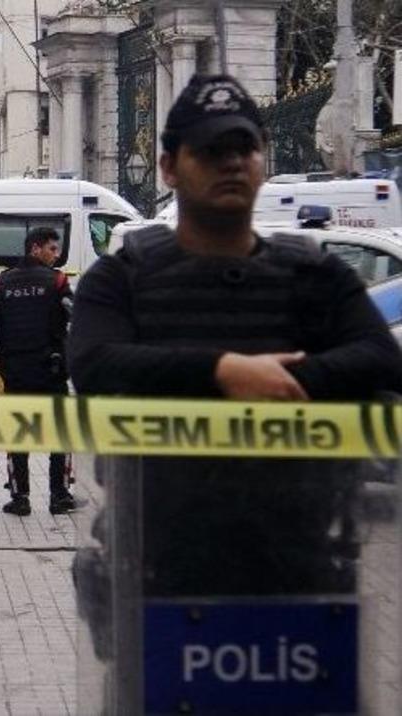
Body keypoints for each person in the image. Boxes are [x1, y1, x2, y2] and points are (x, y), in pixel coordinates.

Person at [68, 73, 402, 603]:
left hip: (296, 565)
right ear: (169, 167)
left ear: (263, 160)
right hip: (160, 569)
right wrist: (224, 372)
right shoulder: (123, 278)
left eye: (244, 146)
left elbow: (382, 362)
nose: (231, 161)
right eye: (210, 149)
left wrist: (282, 381)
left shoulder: (315, 275)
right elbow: (94, 364)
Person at [0, 227, 75, 516]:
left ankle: (20, 498)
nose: (56, 255)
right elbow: (76, 314)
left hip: (14, 372)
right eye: (52, 249)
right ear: (35, 249)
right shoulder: (58, 281)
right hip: (51, 370)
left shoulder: (3, 282)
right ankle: (60, 496)